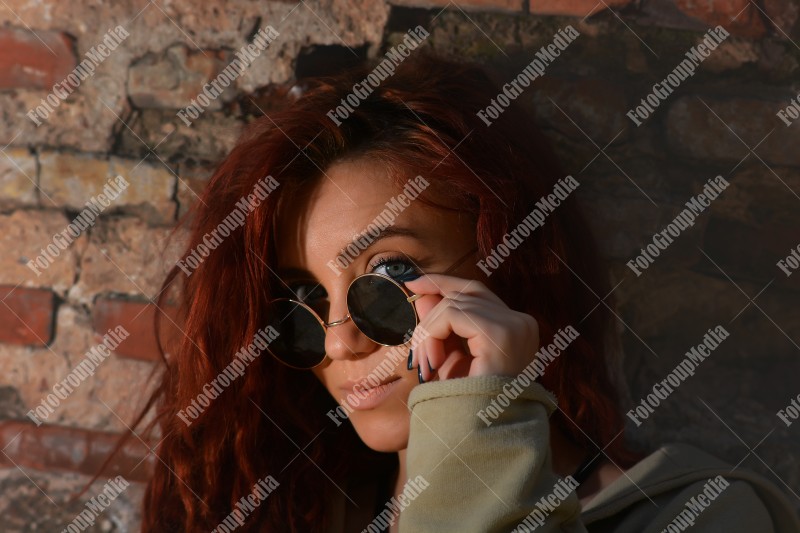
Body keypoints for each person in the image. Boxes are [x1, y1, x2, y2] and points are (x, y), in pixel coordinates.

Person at [135, 52, 800, 532]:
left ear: (510, 264)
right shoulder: (298, 504)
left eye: (389, 276)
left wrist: (475, 431)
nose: (340, 338)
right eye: (305, 298)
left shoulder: (702, 514)